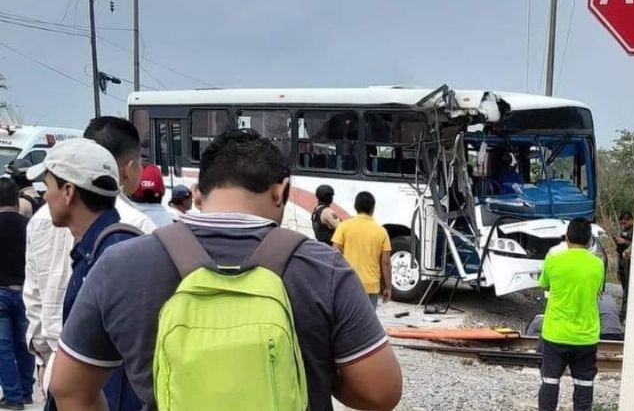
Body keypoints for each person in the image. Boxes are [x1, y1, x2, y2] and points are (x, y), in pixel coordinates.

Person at [49, 130, 402, 411]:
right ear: (282, 191)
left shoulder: (121, 265)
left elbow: (68, 390)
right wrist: (320, 373)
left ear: (199, 194)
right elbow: (380, 393)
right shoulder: (324, 268)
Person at [22, 117, 156, 400]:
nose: (44, 196)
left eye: (47, 186)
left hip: (96, 383)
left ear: (68, 191)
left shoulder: (113, 249)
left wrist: (44, 357)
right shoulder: (137, 229)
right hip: (89, 377)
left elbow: (33, 298)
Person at [537, 217, 605, 411]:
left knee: (550, 382)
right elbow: (597, 290)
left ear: (567, 238)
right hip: (586, 335)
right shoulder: (598, 264)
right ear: (589, 240)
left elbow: (544, 284)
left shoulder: (553, 260)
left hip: (555, 333)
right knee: (584, 385)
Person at [0, 177, 34, 410]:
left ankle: (12, 397)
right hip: (25, 290)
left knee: (3, 347)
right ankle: (26, 391)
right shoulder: (29, 225)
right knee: (25, 343)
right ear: (16, 198)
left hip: (0, 292)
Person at [332, 192, 392, 310]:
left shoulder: (344, 226)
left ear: (355, 207)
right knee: (368, 324)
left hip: (348, 283)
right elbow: (386, 262)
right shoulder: (381, 231)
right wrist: (388, 287)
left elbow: (334, 254)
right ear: (373, 209)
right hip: (371, 286)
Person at [614, 211, 633, 317]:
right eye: (621, 223)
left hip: (630, 262)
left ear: (630, 220)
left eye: (625, 223)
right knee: (624, 286)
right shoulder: (623, 230)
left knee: (628, 289)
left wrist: (625, 242)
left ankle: (624, 313)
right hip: (621, 260)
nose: (623, 225)